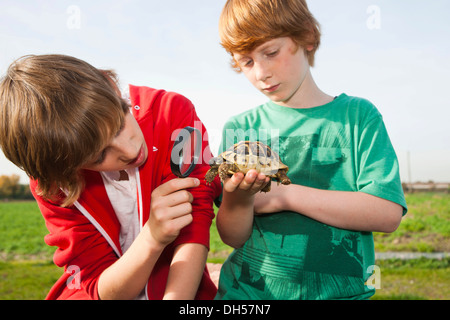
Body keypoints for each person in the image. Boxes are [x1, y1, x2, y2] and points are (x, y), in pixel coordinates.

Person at [214, 0, 407, 300]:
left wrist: (285, 196)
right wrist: (239, 199)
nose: (261, 73)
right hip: (247, 296)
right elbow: (232, 236)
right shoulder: (240, 128)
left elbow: (387, 212)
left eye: (271, 53)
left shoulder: (358, 116)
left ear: (306, 37)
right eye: (247, 61)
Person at [0, 54, 221, 300]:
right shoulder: (53, 184)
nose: (129, 150)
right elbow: (101, 288)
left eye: (119, 123)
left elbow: (196, 219)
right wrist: (152, 238)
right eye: (99, 155)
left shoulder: (171, 113)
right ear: (68, 169)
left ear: (112, 85)